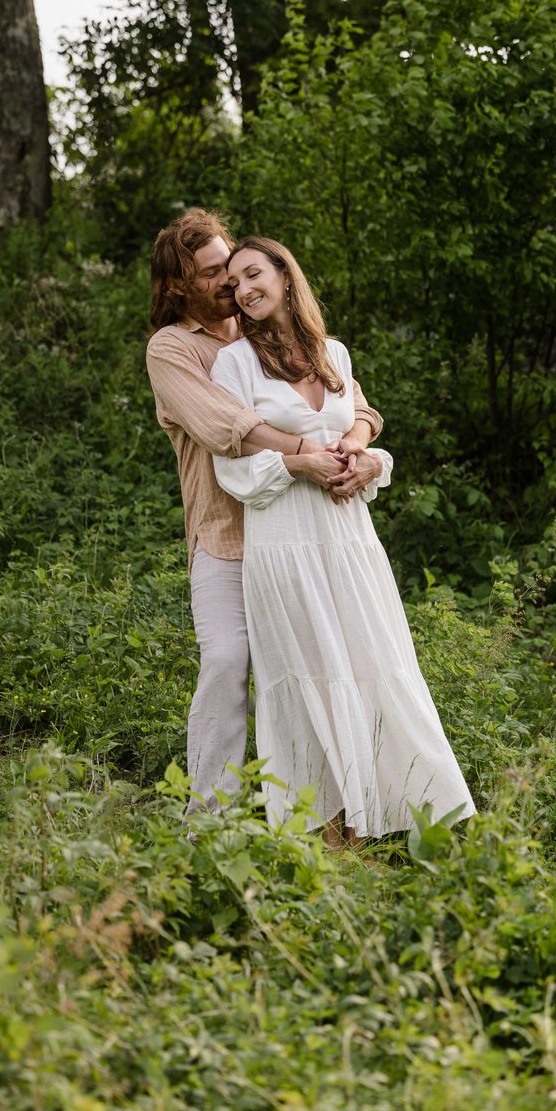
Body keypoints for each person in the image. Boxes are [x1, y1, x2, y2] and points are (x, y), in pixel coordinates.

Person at [210, 236, 475, 845]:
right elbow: (231, 458)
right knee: (308, 673)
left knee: (370, 663)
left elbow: (359, 426)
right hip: (283, 534)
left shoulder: (334, 354)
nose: (246, 290)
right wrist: (299, 464)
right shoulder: (234, 364)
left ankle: (381, 821)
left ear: (284, 274)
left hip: (348, 535)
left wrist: (363, 460)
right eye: (235, 284)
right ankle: (322, 835)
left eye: (255, 274)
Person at [145, 209, 384, 817]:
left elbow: (351, 400)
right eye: (211, 273)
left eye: (232, 265)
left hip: (301, 529)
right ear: (179, 286)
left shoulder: (260, 329)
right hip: (228, 535)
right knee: (227, 662)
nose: (230, 281)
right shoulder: (171, 349)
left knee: (319, 665)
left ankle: (331, 814)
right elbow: (225, 426)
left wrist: (354, 446)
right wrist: (307, 452)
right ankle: (211, 820)